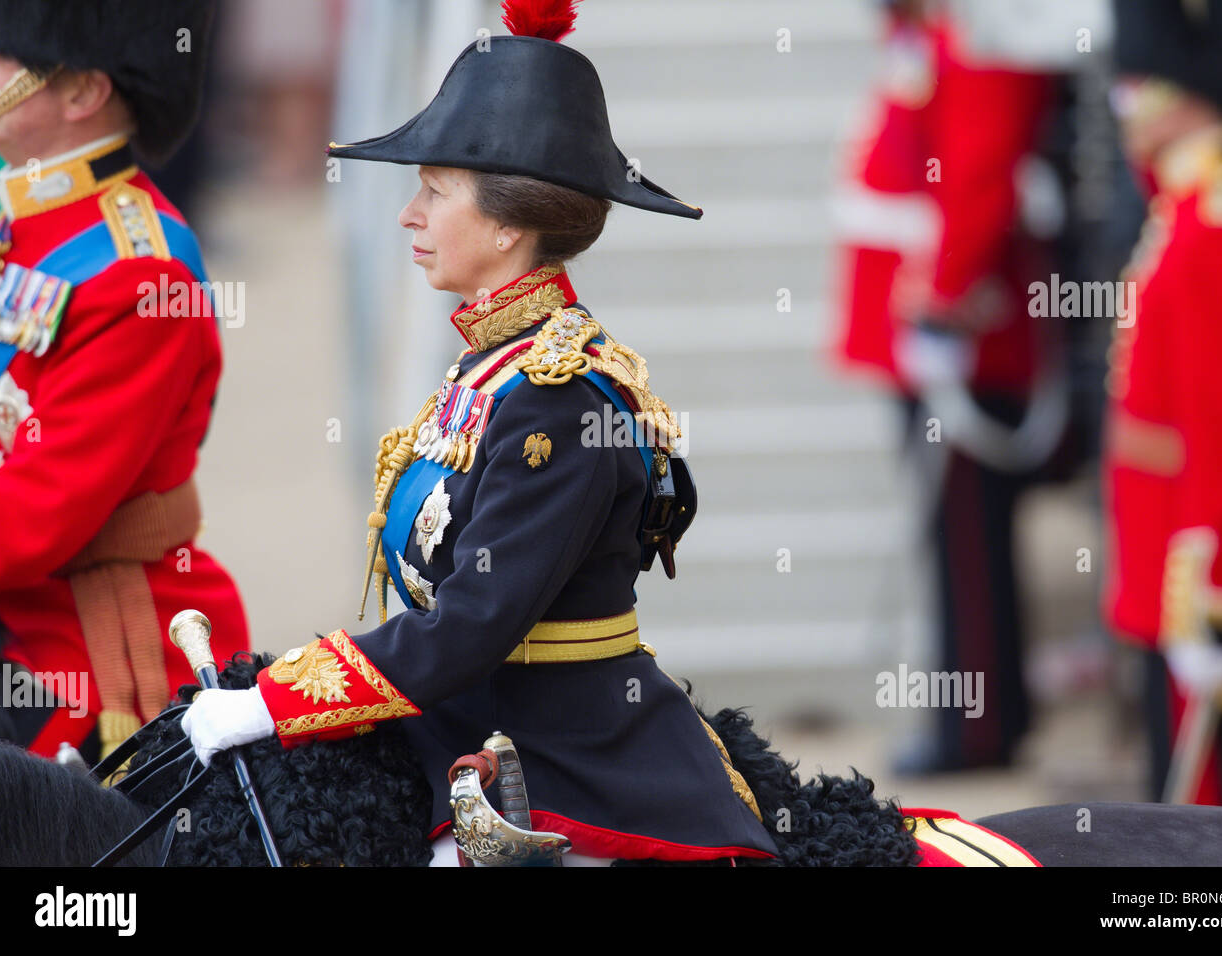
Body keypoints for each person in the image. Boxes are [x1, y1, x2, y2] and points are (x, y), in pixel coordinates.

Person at [183, 0, 778, 865]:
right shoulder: (498, 359)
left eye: (433, 192)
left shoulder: (557, 398)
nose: (407, 216)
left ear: (507, 225)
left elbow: (468, 625)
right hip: (469, 719)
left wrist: (273, 699)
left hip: (568, 765)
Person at [0, 0, 249, 762]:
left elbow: (34, 515)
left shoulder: (137, 273)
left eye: (3, 54)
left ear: (81, 93)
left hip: (89, 648)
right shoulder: (22, 223)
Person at [831, 2, 1057, 773]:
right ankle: (990, 711)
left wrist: (948, 299)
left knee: (965, 537)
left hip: (956, 328)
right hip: (922, 322)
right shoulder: (934, 32)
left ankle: (980, 723)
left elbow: (982, 171)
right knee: (956, 531)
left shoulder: (978, 33)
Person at [1104, 0, 1222, 813]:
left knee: (1213, 826)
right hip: (1165, 548)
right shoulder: (1191, 200)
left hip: (1198, 563)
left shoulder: (1221, 217)